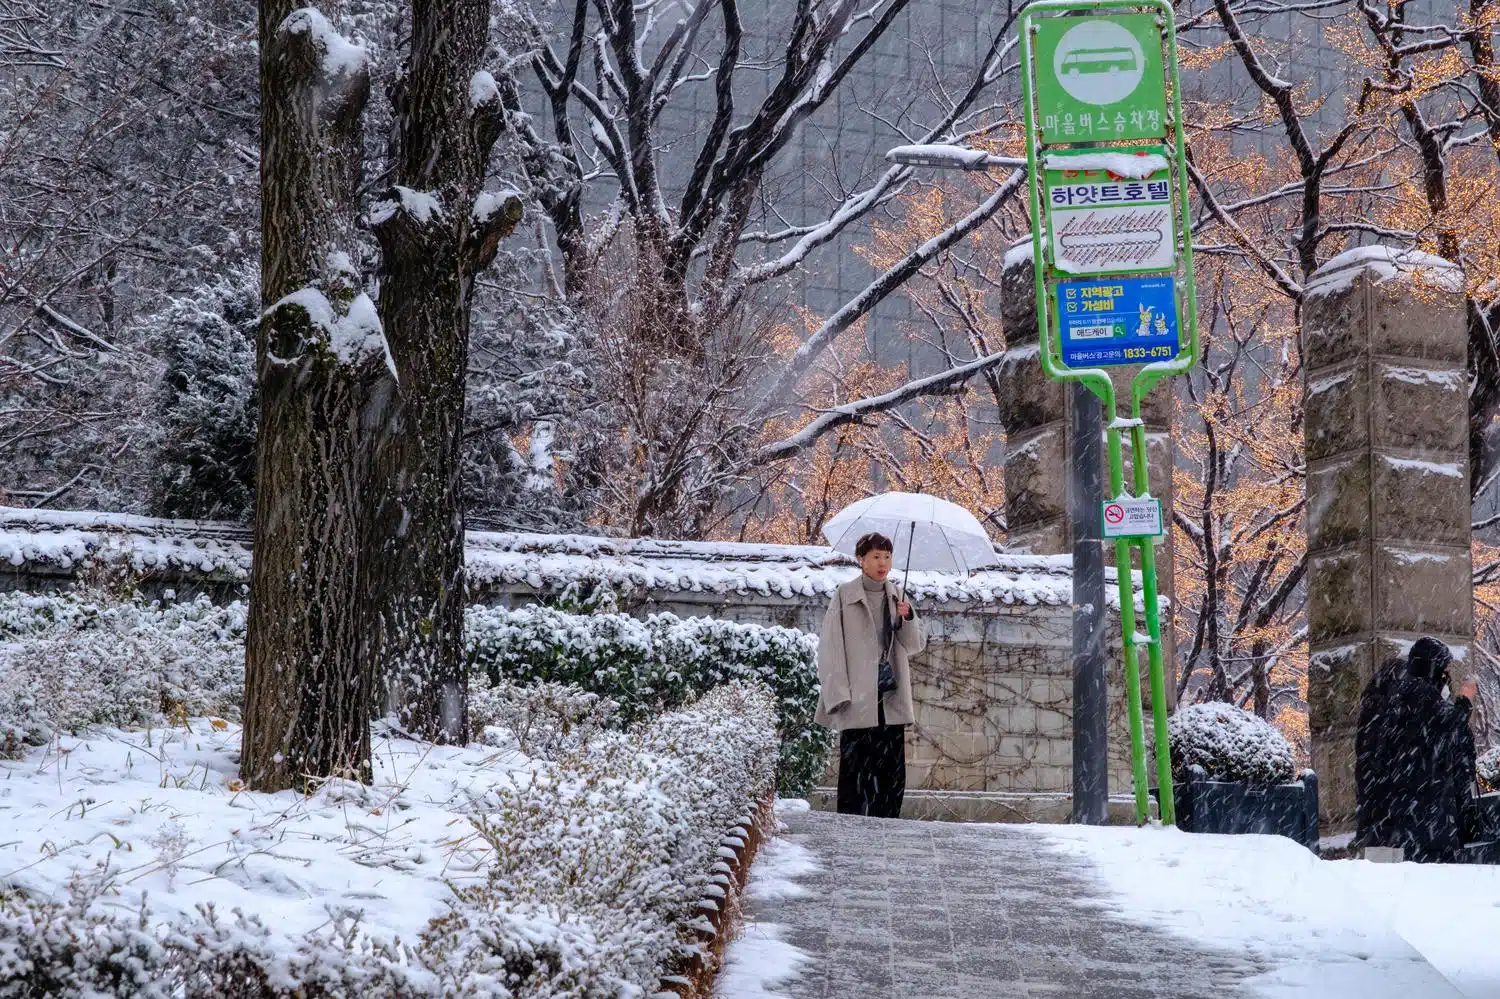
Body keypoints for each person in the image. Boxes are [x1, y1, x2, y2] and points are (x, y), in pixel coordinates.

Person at [815, 531, 925, 818]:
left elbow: (914, 645)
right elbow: (830, 647)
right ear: (861, 560)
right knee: (854, 776)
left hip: (889, 697)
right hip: (857, 698)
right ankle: (851, 830)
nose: (882, 563)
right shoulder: (845, 595)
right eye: (876, 556)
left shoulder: (898, 595)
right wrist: (839, 694)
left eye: (887, 557)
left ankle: (887, 826)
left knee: (891, 776)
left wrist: (907, 617)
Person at [1355, 656, 1406, 849]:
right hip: (1385, 781)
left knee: (1374, 833)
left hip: (1370, 781)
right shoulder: (1391, 706)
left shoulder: (1371, 704)